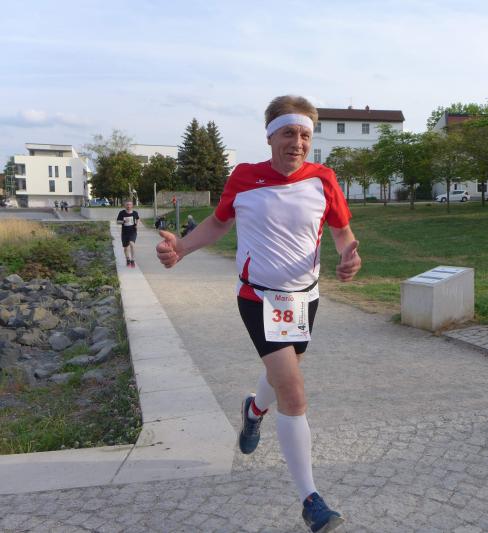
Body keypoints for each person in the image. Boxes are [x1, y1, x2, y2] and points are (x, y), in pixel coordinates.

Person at [156, 95, 360, 533]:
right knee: (293, 391)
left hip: (303, 299)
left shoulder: (323, 179)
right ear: (270, 136)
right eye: (288, 133)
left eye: (304, 135)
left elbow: (342, 232)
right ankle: (311, 500)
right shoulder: (245, 178)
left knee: (282, 376)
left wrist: (348, 255)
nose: (297, 142)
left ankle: (253, 410)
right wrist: (182, 248)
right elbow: (219, 222)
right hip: (258, 298)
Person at [116, 200, 139, 268]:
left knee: (132, 244)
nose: (128, 206)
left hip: (133, 232)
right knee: (125, 248)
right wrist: (123, 221)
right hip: (125, 232)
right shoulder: (122, 213)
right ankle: (128, 259)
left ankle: (132, 260)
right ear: (125, 205)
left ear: (132, 205)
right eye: (127, 204)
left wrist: (137, 225)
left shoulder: (135, 213)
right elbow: (118, 222)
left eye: (130, 204)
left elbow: (137, 219)